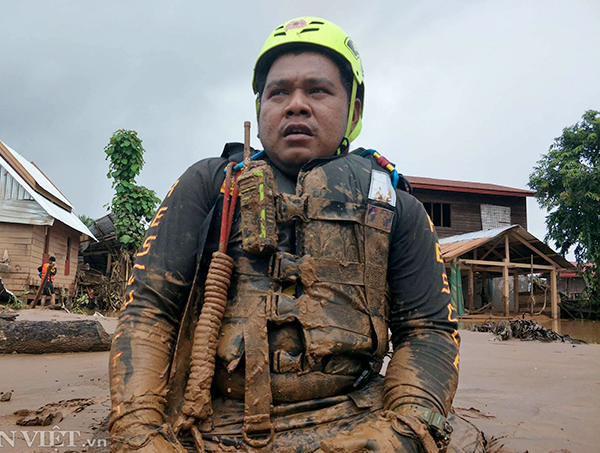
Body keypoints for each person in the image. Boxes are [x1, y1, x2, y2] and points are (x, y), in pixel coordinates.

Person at [109, 17, 460, 453]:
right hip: (210, 423)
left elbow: (428, 331)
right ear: (260, 114)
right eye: (278, 92)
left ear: (353, 110)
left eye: (318, 90)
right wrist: (139, 427)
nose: (296, 105)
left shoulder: (396, 206)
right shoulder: (208, 185)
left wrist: (405, 428)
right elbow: (148, 310)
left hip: (359, 419)